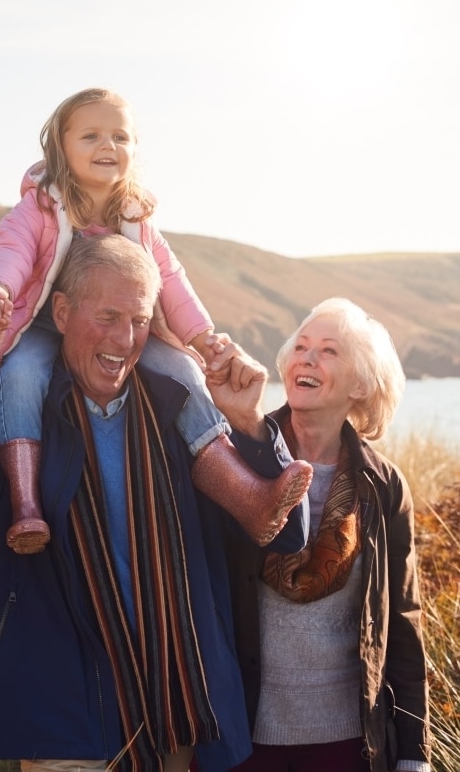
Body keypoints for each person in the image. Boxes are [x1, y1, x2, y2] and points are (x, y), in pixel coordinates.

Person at [0, 235, 310, 772]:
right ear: (61, 311)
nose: (125, 340)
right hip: (62, 719)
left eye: (140, 320)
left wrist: (249, 425)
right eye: (106, 317)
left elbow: (287, 537)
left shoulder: (182, 412)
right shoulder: (10, 417)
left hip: (181, 713)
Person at [0, 86, 311, 554]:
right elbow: (11, 250)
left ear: (135, 150)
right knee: (20, 375)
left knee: (185, 371)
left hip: (124, 327)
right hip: (45, 324)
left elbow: (170, 278)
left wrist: (202, 335)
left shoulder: (137, 218)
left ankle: (248, 496)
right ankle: (26, 505)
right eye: (91, 135)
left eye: (120, 137)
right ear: (60, 145)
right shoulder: (41, 207)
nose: (107, 146)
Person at [220, 298, 431, 772]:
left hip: (349, 744)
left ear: (360, 384)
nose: (307, 359)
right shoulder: (236, 455)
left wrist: (414, 751)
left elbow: (402, 619)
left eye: (329, 351)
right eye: (301, 347)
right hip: (239, 738)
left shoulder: (384, 487)